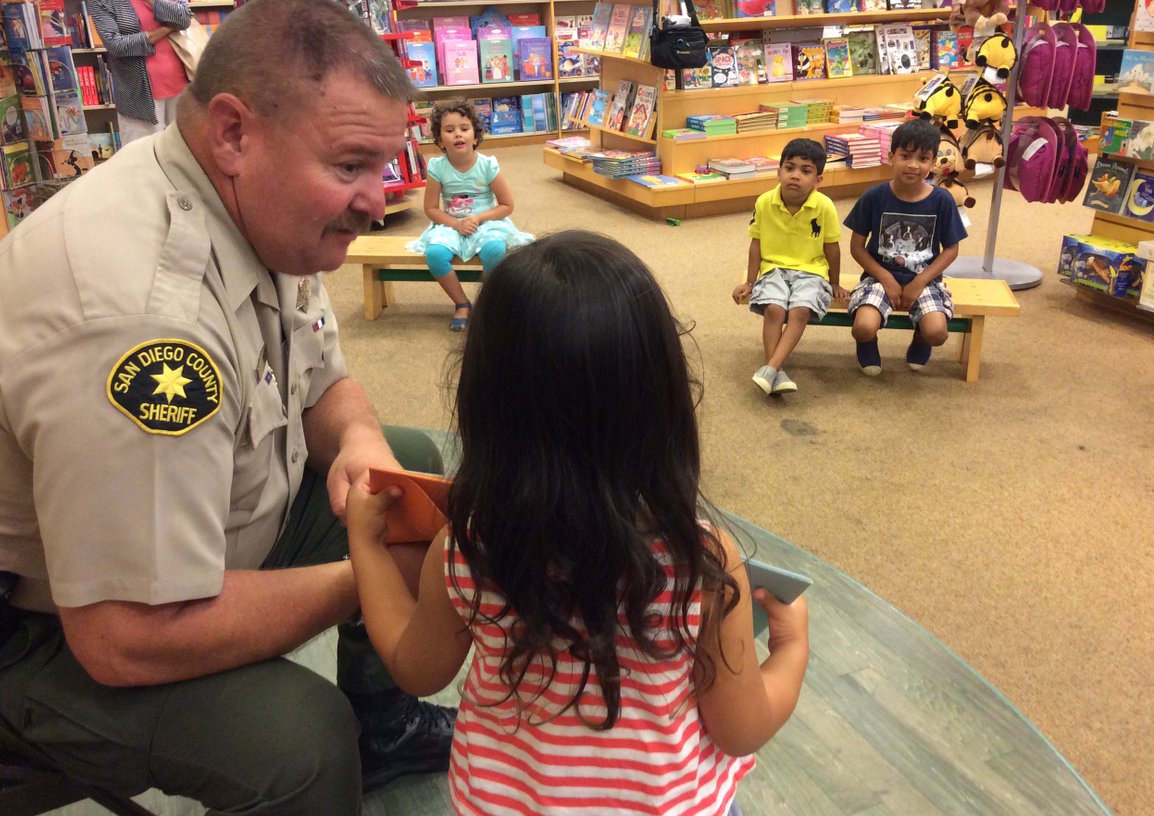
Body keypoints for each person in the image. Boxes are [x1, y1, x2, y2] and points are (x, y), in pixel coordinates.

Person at [0, 0, 458, 815]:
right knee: (299, 742)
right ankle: (343, 746)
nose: (378, 200)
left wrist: (362, 441)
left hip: (194, 528)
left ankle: (385, 727)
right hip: (30, 628)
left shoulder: (259, 205)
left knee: (400, 472)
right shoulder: (144, 319)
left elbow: (320, 380)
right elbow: (124, 636)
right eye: (350, 166)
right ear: (233, 132)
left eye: (383, 166)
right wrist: (367, 577)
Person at [345, 231, 811, 815]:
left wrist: (367, 546)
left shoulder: (468, 547)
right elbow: (740, 729)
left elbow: (415, 669)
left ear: (485, 402)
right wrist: (790, 645)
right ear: (663, 399)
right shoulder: (703, 563)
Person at [844, 118, 968, 375]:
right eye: (905, 156)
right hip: (879, 278)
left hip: (925, 279)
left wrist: (920, 281)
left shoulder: (942, 200)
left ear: (932, 163)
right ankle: (867, 343)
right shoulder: (874, 196)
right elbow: (856, 247)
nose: (913, 165)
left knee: (937, 333)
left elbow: (951, 249)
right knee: (863, 327)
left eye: (922, 159)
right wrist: (885, 277)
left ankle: (921, 338)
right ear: (891, 157)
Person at [732, 138, 849, 397]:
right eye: (789, 168)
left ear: (818, 179)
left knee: (800, 310)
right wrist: (750, 282)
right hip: (773, 268)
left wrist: (834, 282)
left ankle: (771, 367)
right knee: (774, 309)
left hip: (812, 271)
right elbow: (756, 244)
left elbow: (832, 247)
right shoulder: (764, 201)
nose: (795, 175)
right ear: (779, 172)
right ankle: (777, 370)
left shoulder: (825, 206)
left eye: (805, 171)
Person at [406, 98, 532, 330]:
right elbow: (431, 209)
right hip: (451, 223)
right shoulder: (437, 167)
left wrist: (478, 218)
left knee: (495, 250)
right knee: (434, 254)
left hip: (486, 222)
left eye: (464, 129)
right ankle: (462, 303)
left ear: (475, 137)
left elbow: (506, 205)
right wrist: (456, 224)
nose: (458, 134)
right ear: (440, 141)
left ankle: (488, 302)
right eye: (449, 130)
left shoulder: (487, 165)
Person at [86, 0, 193, 145]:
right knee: (144, 159)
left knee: (185, 155)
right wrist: (166, 28)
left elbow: (184, 17)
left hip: (182, 86)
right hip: (138, 96)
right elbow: (116, 45)